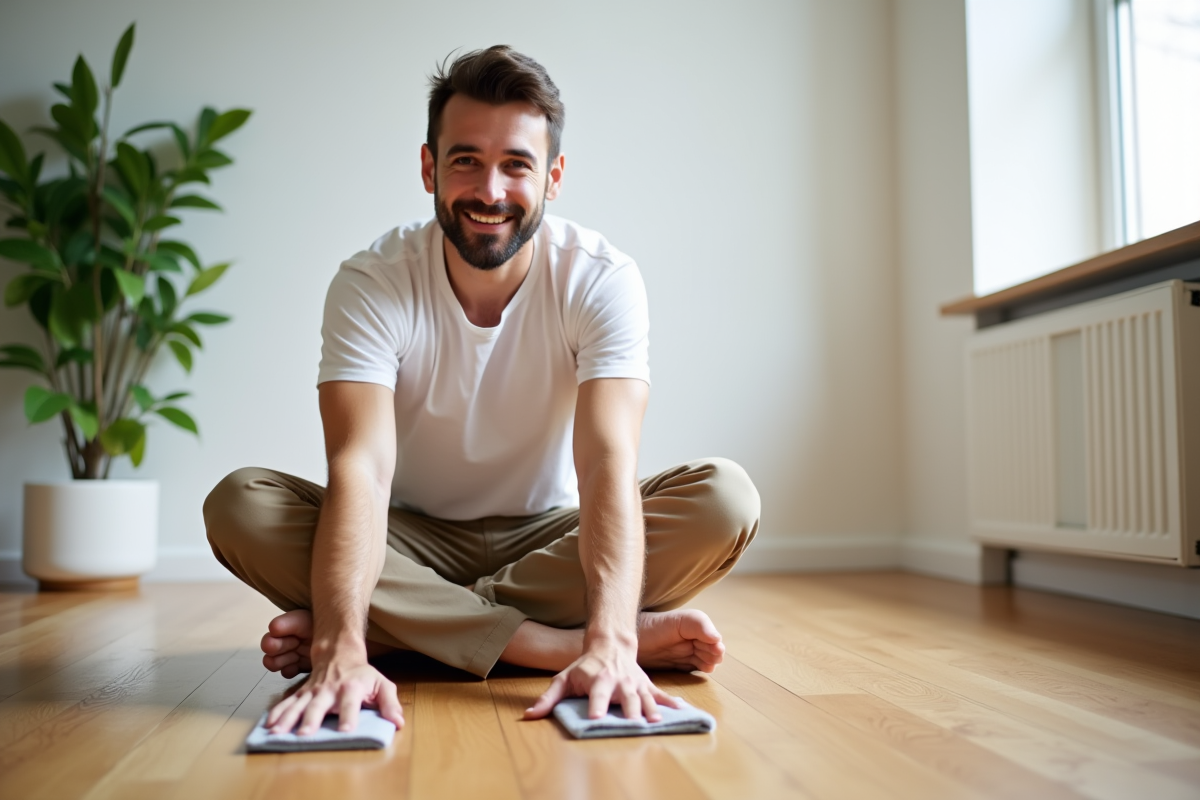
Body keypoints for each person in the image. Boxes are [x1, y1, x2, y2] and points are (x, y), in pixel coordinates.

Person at [203, 45, 760, 737]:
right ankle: (546, 643)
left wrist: (612, 644)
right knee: (240, 506)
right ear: (429, 167)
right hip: (408, 539)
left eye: (516, 165)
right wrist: (342, 650)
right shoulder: (373, 281)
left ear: (553, 177)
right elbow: (361, 470)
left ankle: (410, 632)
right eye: (465, 160)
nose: (490, 191)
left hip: (553, 536)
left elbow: (607, 462)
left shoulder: (600, 277)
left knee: (724, 498)